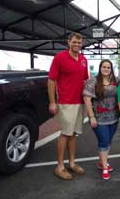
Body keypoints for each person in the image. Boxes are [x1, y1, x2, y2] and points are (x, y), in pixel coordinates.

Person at [48, 32, 88, 180]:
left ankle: (71, 163)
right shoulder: (59, 58)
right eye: (74, 42)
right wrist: (52, 102)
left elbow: (85, 81)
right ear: (68, 42)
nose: (77, 45)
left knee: (73, 134)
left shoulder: (84, 59)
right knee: (65, 134)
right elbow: (51, 80)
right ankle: (60, 166)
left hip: (79, 102)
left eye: (79, 42)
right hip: (65, 102)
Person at [83, 59, 119, 180]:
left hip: (113, 118)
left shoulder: (116, 80)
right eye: (104, 67)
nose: (106, 69)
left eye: (108, 67)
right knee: (103, 141)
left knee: (108, 141)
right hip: (98, 119)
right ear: (100, 68)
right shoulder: (92, 81)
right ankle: (104, 167)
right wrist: (92, 117)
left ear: (111, 69)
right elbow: (87, 99)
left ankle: (101, 162)